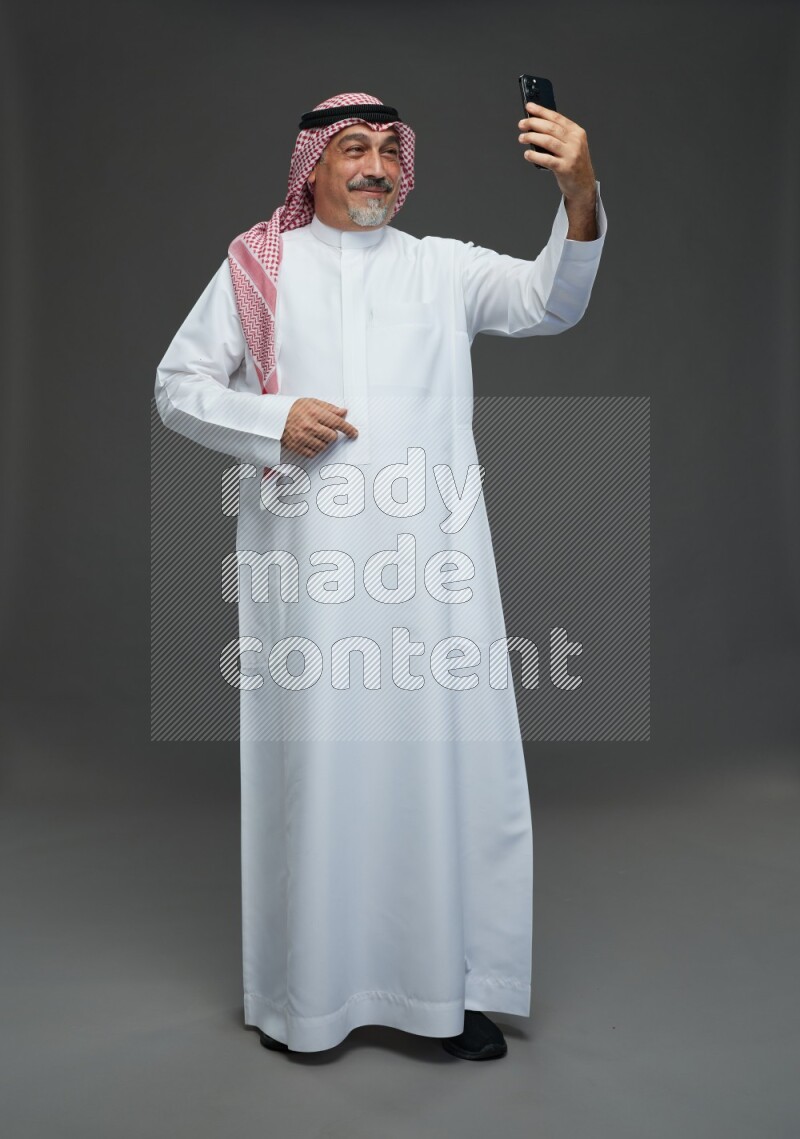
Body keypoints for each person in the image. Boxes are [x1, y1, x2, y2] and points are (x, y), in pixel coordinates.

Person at [154, 91, 607, 1060]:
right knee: (323, 769)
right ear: (309, 166)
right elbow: (178, 385)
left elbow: (549, 300)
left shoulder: (438, 269)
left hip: (430, 578)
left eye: (386, 150)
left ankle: (448, 988)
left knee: (442, 766)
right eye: (350, 148)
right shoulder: (257, 265)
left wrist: (578, 191)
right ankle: (305, 994)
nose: (372, 165)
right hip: (309, 578)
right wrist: (273, 421)